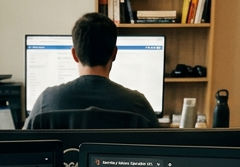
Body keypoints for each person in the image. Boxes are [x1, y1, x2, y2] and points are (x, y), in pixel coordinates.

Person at [23, 12, 159, 128]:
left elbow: (22, 153)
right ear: (114, 53)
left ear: (74, 54)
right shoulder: (138, 106)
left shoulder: (46, 102)